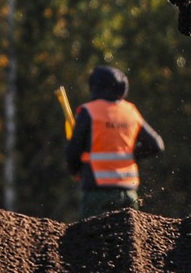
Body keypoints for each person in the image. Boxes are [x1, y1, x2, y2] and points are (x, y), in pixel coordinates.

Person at [64, 65, 165, 220]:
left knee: (91, 238)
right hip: (128, 192)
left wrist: (75, 170)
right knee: (127, 240)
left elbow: (74, 150)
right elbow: (156, 145)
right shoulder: (130, 111)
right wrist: (130, 155)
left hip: (96, 191)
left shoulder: (89, 111)